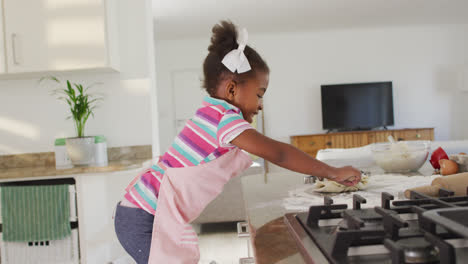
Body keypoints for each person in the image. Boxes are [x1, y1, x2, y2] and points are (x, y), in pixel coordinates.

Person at [114, 20, 361, 264]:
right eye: (259, 94)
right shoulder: (225, 119)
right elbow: (279, 154)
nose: (261, 104)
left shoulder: (212, 113)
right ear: (232, 90)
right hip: (145, 216)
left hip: (142, 212)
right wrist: (332, 171)